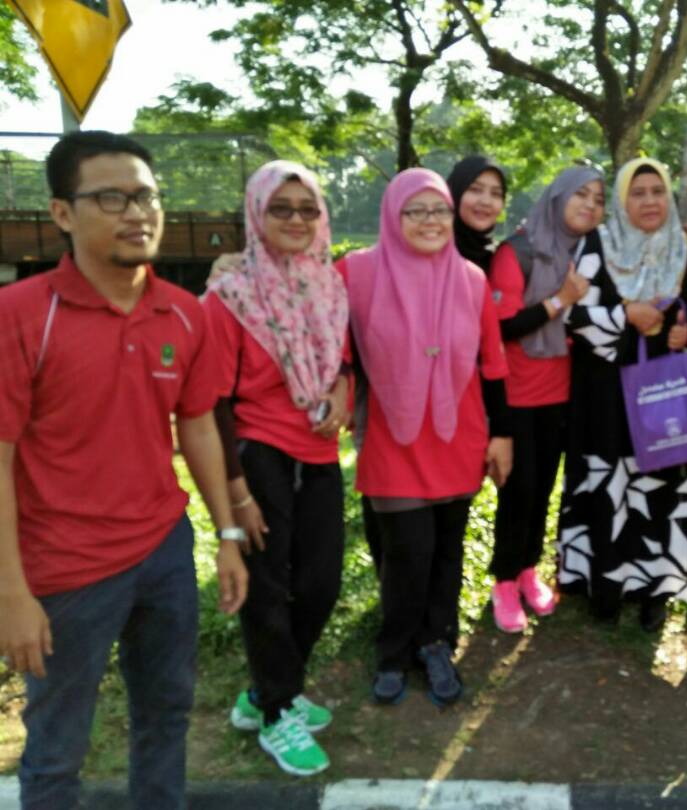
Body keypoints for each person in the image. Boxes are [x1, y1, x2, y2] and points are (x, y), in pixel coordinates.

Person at [0, 130, 248, 810]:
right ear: (62, 213)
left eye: (147, 197)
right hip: (64, 569)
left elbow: (197, 424)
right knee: (57, 749)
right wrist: (11, 593)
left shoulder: (185, 314)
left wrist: (227, 536)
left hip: (163, 552)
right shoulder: (21, 316)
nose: (137, 213)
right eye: (111, 198)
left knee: (167, 715)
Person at [340, 168, 512, 707]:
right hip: (392, 438)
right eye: (416, 210)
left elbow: (493, 363)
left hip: (459, 435)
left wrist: (502, 433)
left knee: (446, 552)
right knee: (405, 554)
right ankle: (394, 651)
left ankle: (437, 642)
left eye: (439, 210)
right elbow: (334, 344)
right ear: (393, 215)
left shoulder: (472, 279)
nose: (430, 221)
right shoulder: (356, 272)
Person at [203, 161, 351, 776]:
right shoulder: (231, 294)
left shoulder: (329, 286)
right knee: (267, 589)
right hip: (259, 454)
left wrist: (342, 389)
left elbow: (344, 360)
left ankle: (267, 690)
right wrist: (236, 493)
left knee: (320, 584)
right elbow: (211, 401)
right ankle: (277, 710)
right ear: (256, 213)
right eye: (280, 208)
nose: (296, 219)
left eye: (307, 208)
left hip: (319, 454)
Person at [557, 157, 687, 631]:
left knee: (659, 479)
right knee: (609, 480)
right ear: (622, 201)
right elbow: (573, 316)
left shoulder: (685, 249)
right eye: (638, 193)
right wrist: (625, 315)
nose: (649, 201)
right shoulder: (596, 245)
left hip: (663, 386)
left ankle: (656, 587)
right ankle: (604, 584)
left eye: (658, 191)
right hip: (605, 392)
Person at [485, 167, 594, 632]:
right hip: (518, 395)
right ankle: (504, 580)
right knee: (519, 490)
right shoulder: (519, 251)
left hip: (563, 395)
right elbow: (501, 326)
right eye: (580, 194)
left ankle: (528, 570)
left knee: (544, 489)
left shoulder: (590, 251)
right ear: (557, 198)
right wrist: (560, 300)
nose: (589, 205)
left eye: (598, 198)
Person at [447, 155, 507, 274]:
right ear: (455, 193)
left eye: (496, 193)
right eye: (475, 189)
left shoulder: (502, 260)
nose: (486, 202)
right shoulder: (431, 251)